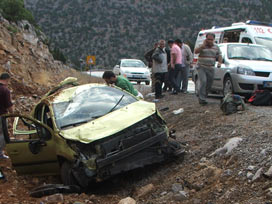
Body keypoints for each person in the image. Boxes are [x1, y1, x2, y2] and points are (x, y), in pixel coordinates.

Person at [194, 33, 222, 105]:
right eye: (208, 39)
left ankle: (204, 95)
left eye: (211, 40)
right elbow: (196, 51)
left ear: (213, 40)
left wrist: (219, 62)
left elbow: (219, 55)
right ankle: (202, 99)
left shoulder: (216, 47)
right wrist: (202, 47)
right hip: (201, 66)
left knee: (209, 83)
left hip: (210, 67)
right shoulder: (202, 45)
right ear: (206, 39)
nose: (210, 41)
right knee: (203, 81)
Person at [0, 73, 13, 159]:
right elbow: (9, 106)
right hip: (1, 116)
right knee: (3, 134)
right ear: (7, 79)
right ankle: (0, 153)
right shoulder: (5, 90)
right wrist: (12, 116)